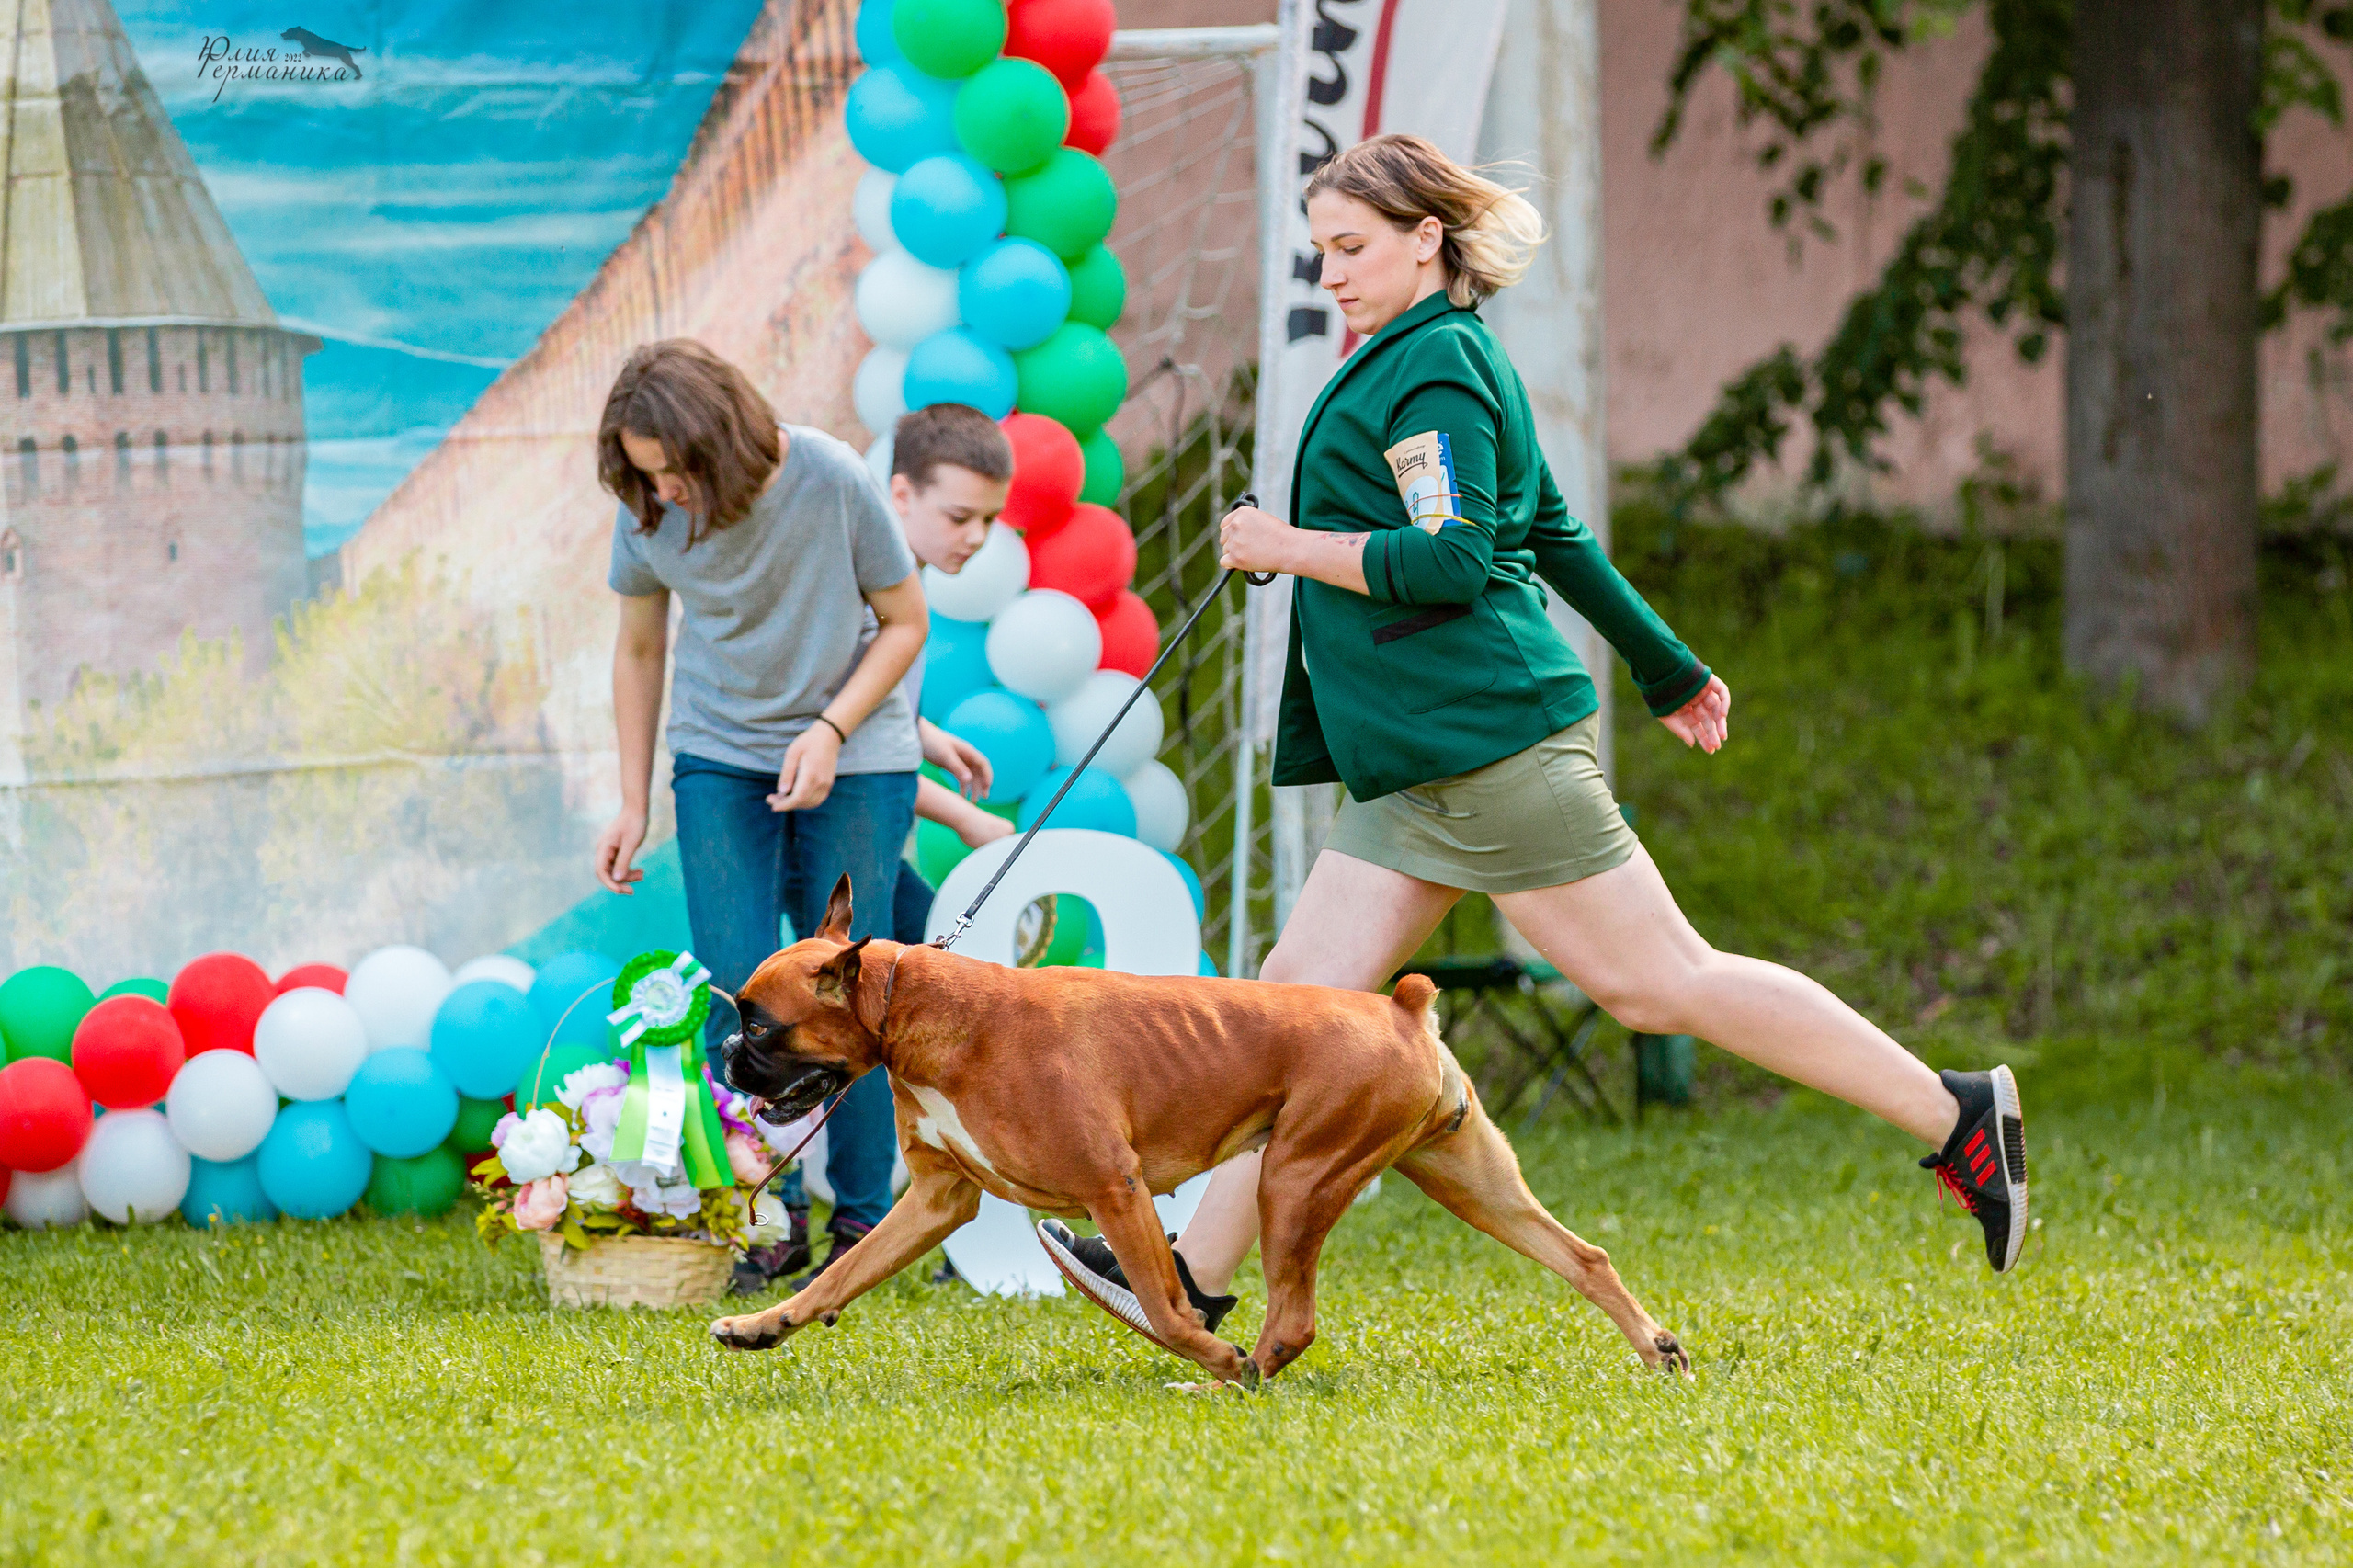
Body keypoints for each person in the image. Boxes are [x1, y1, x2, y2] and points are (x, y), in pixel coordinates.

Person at [1043, 134, 2029, 1348]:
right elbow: (1554, 531)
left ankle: (1956, 1113)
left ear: (1425, 240)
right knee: (1286, 1019)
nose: (1332, 272)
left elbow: (1454, 562)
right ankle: (1191, 1275)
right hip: (1416, 767)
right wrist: (1668, 665)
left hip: (1486, 751)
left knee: (1660, 983)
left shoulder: (1440, 369)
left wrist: (1283, 545)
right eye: (1321, 251)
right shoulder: (1425, 357)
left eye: (1351, 247)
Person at [591, 338, 927, 1295]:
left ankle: (864, 1214)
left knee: (853, 995)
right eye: (646, 475)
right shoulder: (646, 506)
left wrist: (829, 727)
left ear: (728, 440)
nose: (666, 493)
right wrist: (629, 795)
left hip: (854, 749)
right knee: (732, 996)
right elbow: (640, 648)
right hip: (718, 750)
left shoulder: (827, 474)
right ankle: (761, 1216)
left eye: (677, 471)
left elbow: (905, 620)